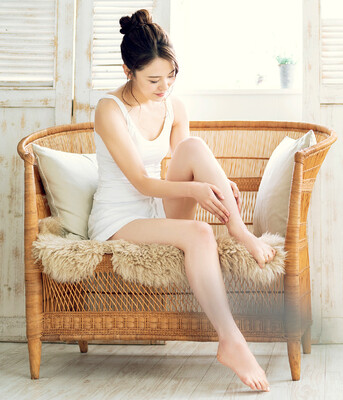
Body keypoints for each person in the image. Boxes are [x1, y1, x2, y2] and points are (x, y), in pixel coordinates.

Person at [88, 9, 276, 392]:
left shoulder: (174, 106)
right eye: (153, 79)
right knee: (200, 234)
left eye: (171, 76)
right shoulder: (109, 109)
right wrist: (196, 191)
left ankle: (240, 231)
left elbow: (184, 161)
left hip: (155, 207)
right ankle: (231, 340)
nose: (164, 87)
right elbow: (142, 182)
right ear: (128, 71)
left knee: (193, 146)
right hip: (119, 218)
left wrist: (217, 182)